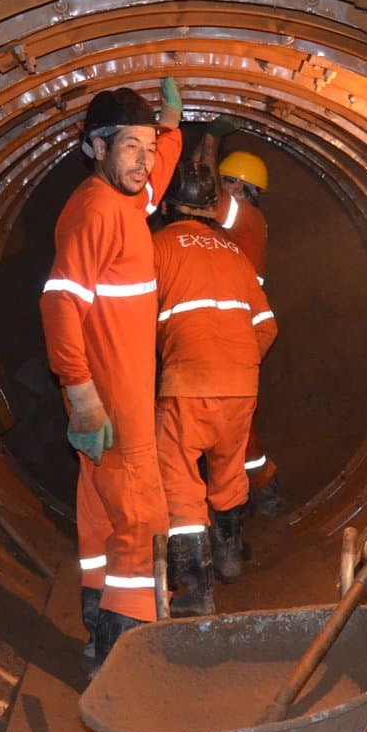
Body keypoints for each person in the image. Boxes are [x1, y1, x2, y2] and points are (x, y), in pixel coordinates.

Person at [40, 78, 183, 665]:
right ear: (95, 148)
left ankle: (97, 636)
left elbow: (154, 181)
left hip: (113, 404)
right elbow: (58, 301)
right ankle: (129, 658)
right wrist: (81, 394)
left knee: (101, 518)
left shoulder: (127, 199)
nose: (143, 161)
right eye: (131, 147)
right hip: (113, 407)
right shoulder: (97, 213)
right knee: (144, 520)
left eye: (147, 148)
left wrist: (168, 130)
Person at [152, 160, 277, 606]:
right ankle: (229, 557)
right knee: (228, 468)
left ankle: (194, 590)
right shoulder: (234, 253)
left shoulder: (158, 247)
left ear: (168, 204)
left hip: (188, 382)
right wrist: (237, 362)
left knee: (179, 478)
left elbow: (133, 319)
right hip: (241, 384)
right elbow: (267, 326)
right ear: (211, 205)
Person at [196, 120, 283, 517]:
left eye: (228, 182)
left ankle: (256, 490)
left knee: (232, 425)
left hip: (235, 337)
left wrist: (211, 141)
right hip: (215, 337)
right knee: (224, 422)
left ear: (243, 189)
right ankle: (247, 491)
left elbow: (206, 192)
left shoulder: (246, 219)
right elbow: (197, 186)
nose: (220, 187)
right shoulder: (214, 231)